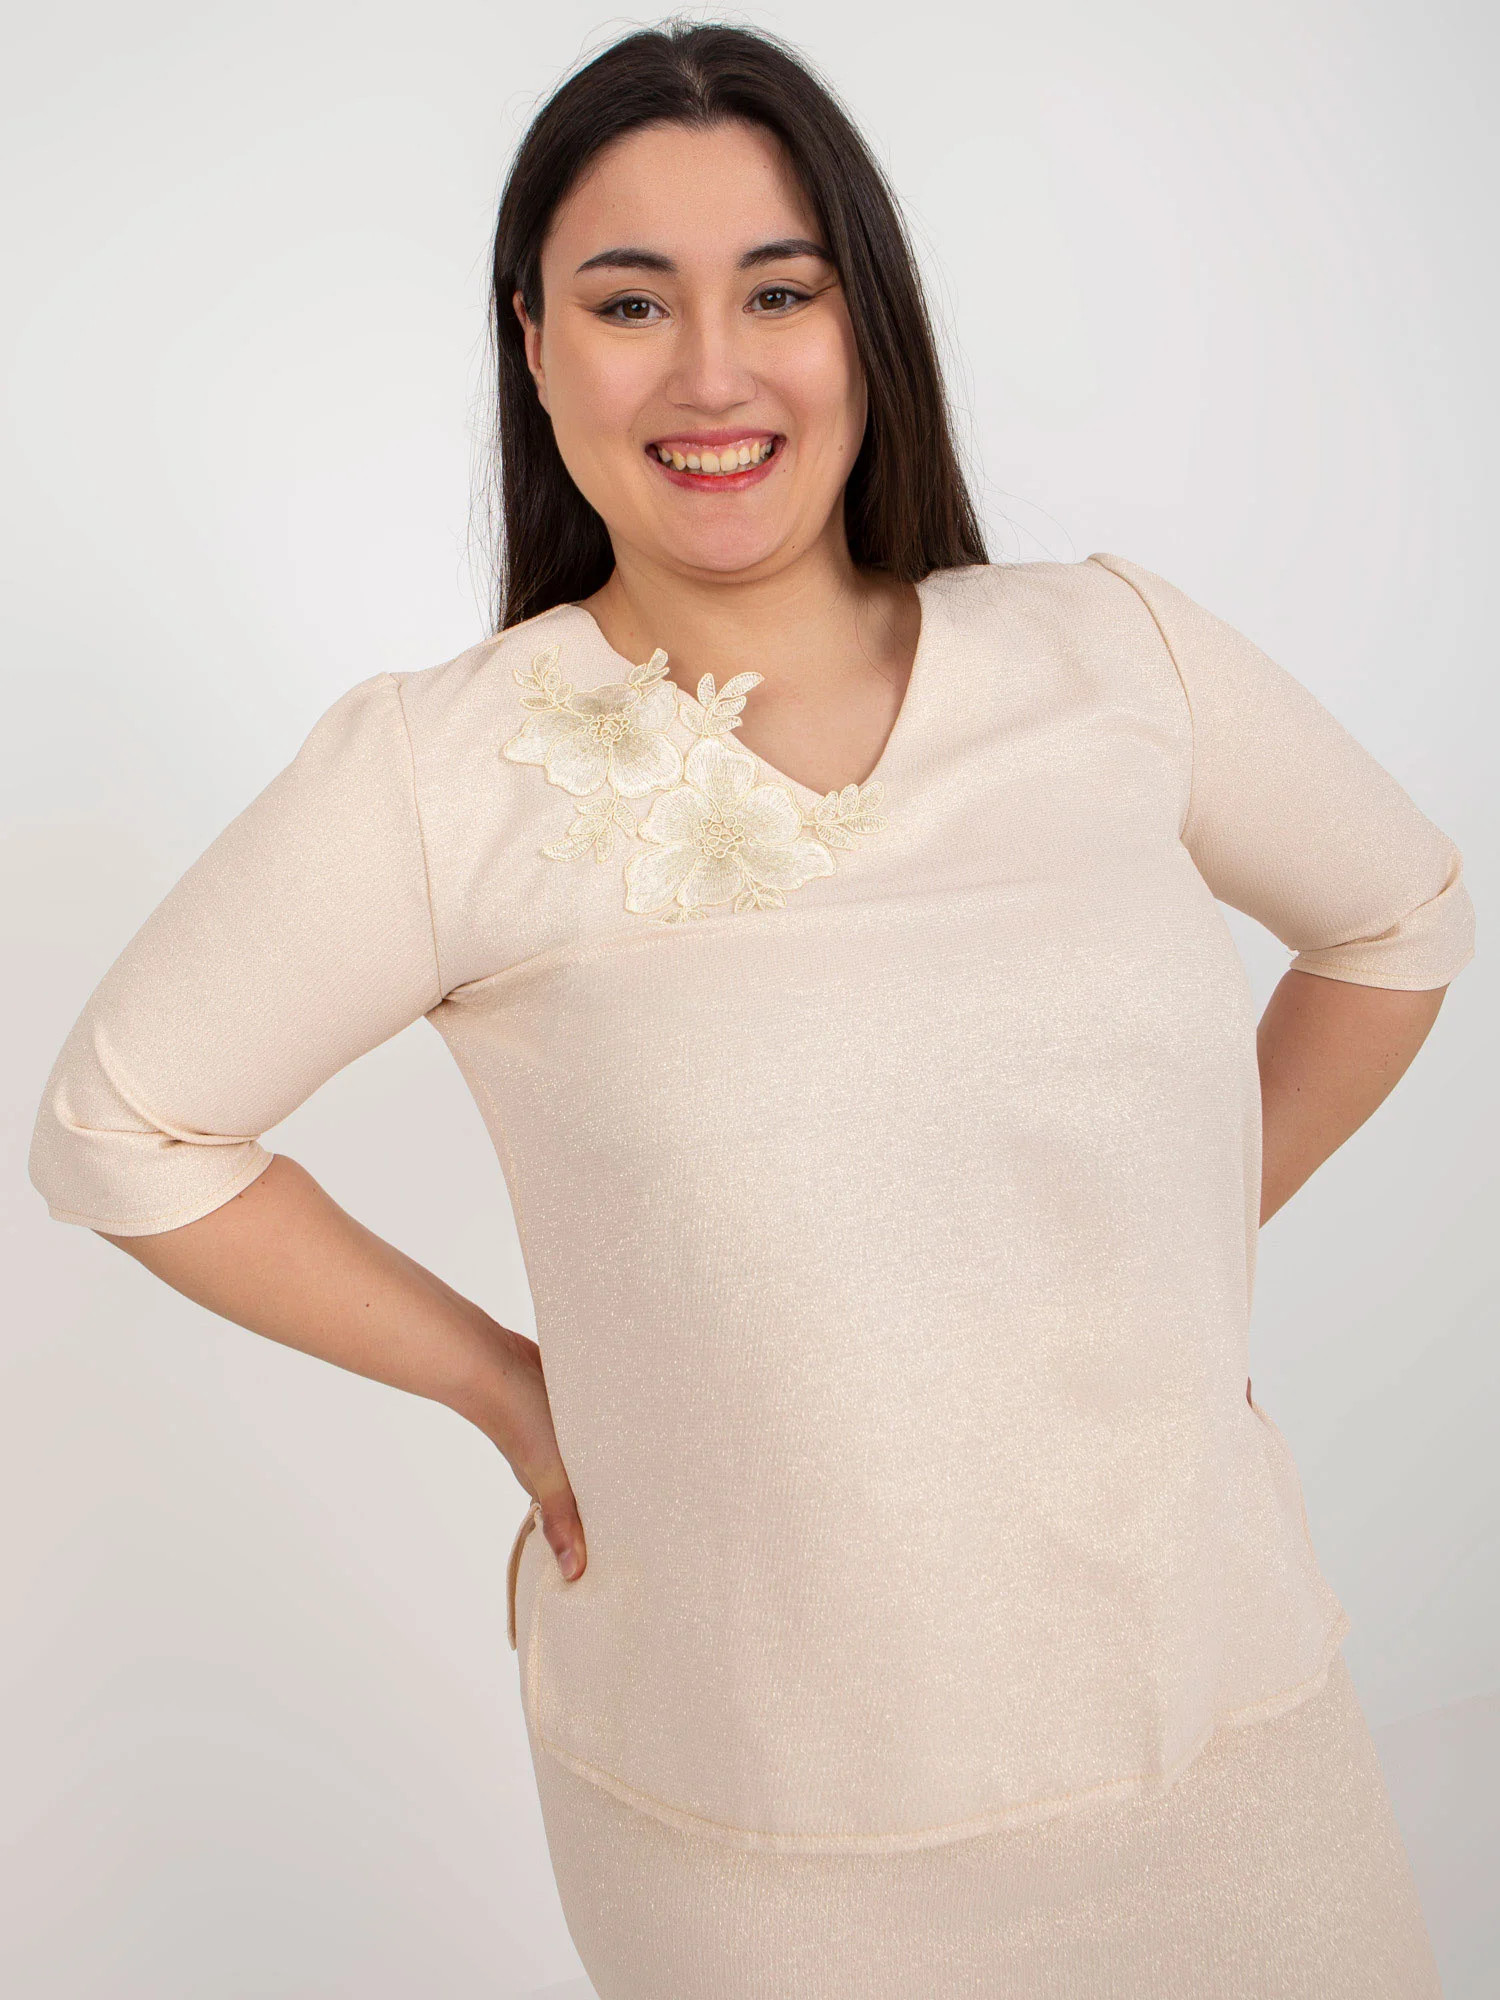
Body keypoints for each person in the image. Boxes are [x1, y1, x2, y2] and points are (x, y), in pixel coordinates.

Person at [29, 20, 1473, 1999]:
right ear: (534, 344)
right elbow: (120, 1130)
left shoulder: (1111, 653)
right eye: (632, 302)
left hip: (1226, 1742)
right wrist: (512, 1388)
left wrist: (1177, 1251)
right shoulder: (447, 773)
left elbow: (1398, 920)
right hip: (762, 1826)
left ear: (868, 324)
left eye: (779, 292)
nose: (711, 371)